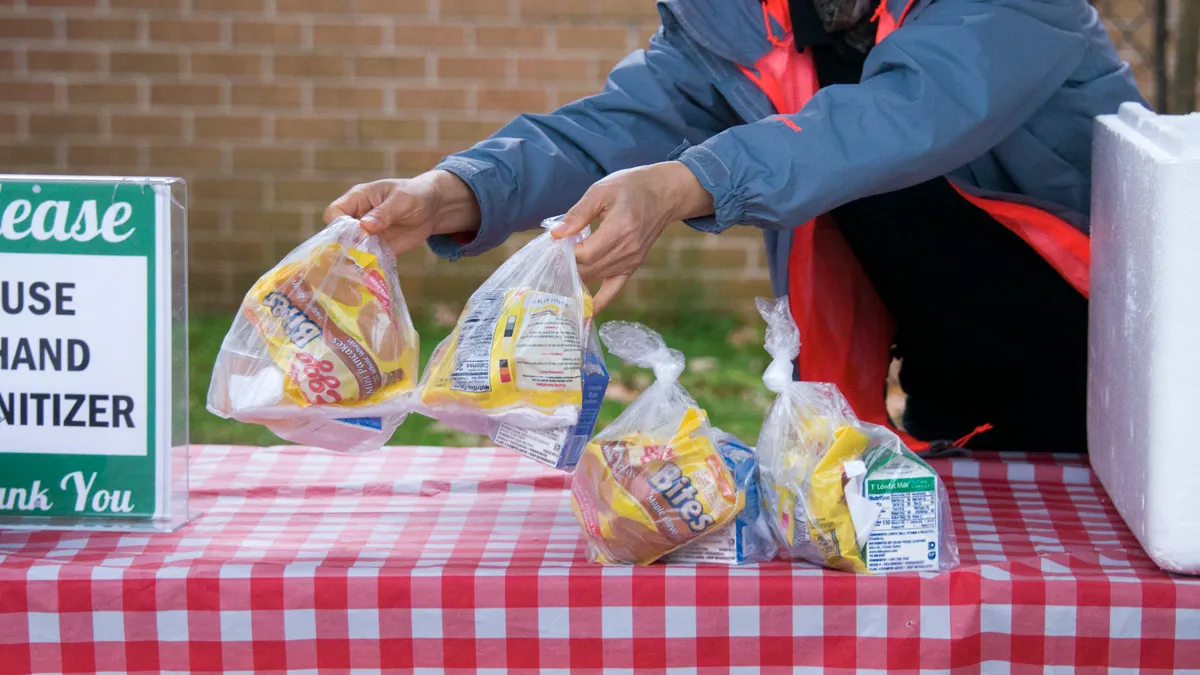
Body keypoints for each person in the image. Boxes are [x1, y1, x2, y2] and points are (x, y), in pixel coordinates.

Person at [325, 0, 1143, 452]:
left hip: (1119, 382)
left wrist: (688, 183)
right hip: (949, 407)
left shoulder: (1020, 7)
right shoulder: (744, 21)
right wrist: (457, 188)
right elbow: (621, 123)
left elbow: (900, 119)